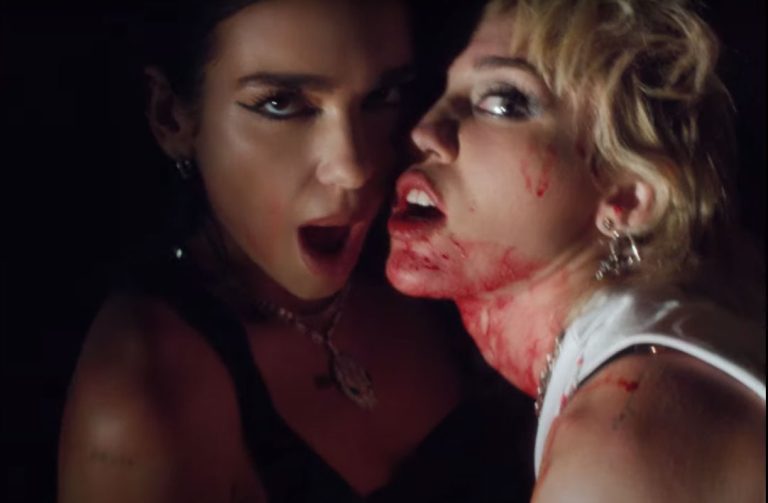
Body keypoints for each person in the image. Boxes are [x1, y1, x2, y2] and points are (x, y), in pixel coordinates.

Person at [57, 1, 535, 502]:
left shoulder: (436, 258)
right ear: (171, 117)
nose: (353, 167)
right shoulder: (148, 396)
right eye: (281, 104)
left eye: (381, 97)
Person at [385, 0, 766, 500]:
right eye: (445, 91)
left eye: (503, 103)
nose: (424, 131)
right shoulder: (665, 339)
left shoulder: (621, 445)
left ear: (627, 197)